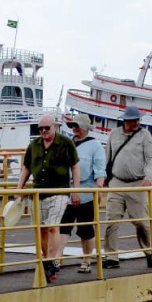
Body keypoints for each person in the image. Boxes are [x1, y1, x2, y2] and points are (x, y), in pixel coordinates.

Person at [17, 113, 80, 283]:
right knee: (41, 229)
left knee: (53, 226)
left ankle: (51, 260)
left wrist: (75, 190)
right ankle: (46, 262)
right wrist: (19, 189)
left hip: (59, 191)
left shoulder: (65, 143)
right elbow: (27, 168)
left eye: (47, 128)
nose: (43, 131)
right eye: (40, 128)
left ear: (55, 126)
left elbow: (74, 167)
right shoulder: (34, 145)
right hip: (38, 192)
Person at [103, 105, 152, 269]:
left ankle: (148, 251)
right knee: (112, 220)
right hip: (117, 182)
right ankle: (111, 256)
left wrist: (148, 177)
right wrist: (105, 178)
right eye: (135, 120)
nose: (138, 122)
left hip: (137, 183)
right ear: (127, 121)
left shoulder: (145, 135)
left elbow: (150, 159)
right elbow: (108, 157)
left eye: (139, 120)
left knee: (141, 222)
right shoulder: (113, 134)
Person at [61, 114, 105, 274]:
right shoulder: (68, 144)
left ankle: (87, 260)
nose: (74, 128)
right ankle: (56, 259)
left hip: (86, 193)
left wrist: (99, 188)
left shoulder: (95, 145)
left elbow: (100, 169)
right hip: (67, 193)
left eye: (77, 126)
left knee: (85, 229)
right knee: (63, 227)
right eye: (73, 125)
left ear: (85, 128)